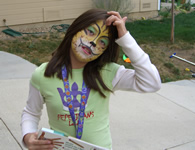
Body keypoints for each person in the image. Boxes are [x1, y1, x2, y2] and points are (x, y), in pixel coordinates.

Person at [21, 9, 161, 150]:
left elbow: (152, 82)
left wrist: (125, 38)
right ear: (75, 29)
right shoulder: (43, 74)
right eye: (90, 32)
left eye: (103, 42)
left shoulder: (108, 72)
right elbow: (31, 112)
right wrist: (28, 136)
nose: (94, 42)